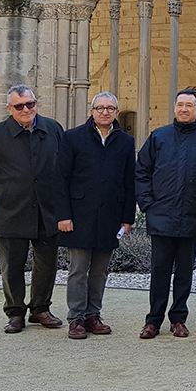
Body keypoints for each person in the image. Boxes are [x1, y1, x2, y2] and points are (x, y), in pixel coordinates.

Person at [0, 84, 65, 334]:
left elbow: (64, 165)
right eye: (19, 106)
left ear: (36, 104)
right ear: (9, 108)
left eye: (30, 104)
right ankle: (15, 313)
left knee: (47, 264)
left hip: (47, 210)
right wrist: (4, 189)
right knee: (12, 266)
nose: (26, 109)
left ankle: (40, 309)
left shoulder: (53, 129)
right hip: (11, 211)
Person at [135, 89, 196, 339]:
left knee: (185, 272)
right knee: (159, 270)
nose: (184, 109)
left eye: (189, 105)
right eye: (180, 105)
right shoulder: (159, 136)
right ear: (174, 107)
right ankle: (153, 320)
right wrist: (148, 204)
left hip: (194, 214)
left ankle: (178, 319)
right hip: (161, 215)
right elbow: (142, 171)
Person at [55, 91, 136, 340]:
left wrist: (127, 218)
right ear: (92, 111)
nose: (105, 112)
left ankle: (93, 315)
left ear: (116, 112)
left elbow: (129, 181)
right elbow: (60, 179)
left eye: (110, 108)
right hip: (79, 214)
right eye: (100, 108)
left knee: (100, 270)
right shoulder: (72, 138)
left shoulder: (125, 142)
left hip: (110, 214)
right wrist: (63, 215)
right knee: (78, 269)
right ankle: (76, 318)